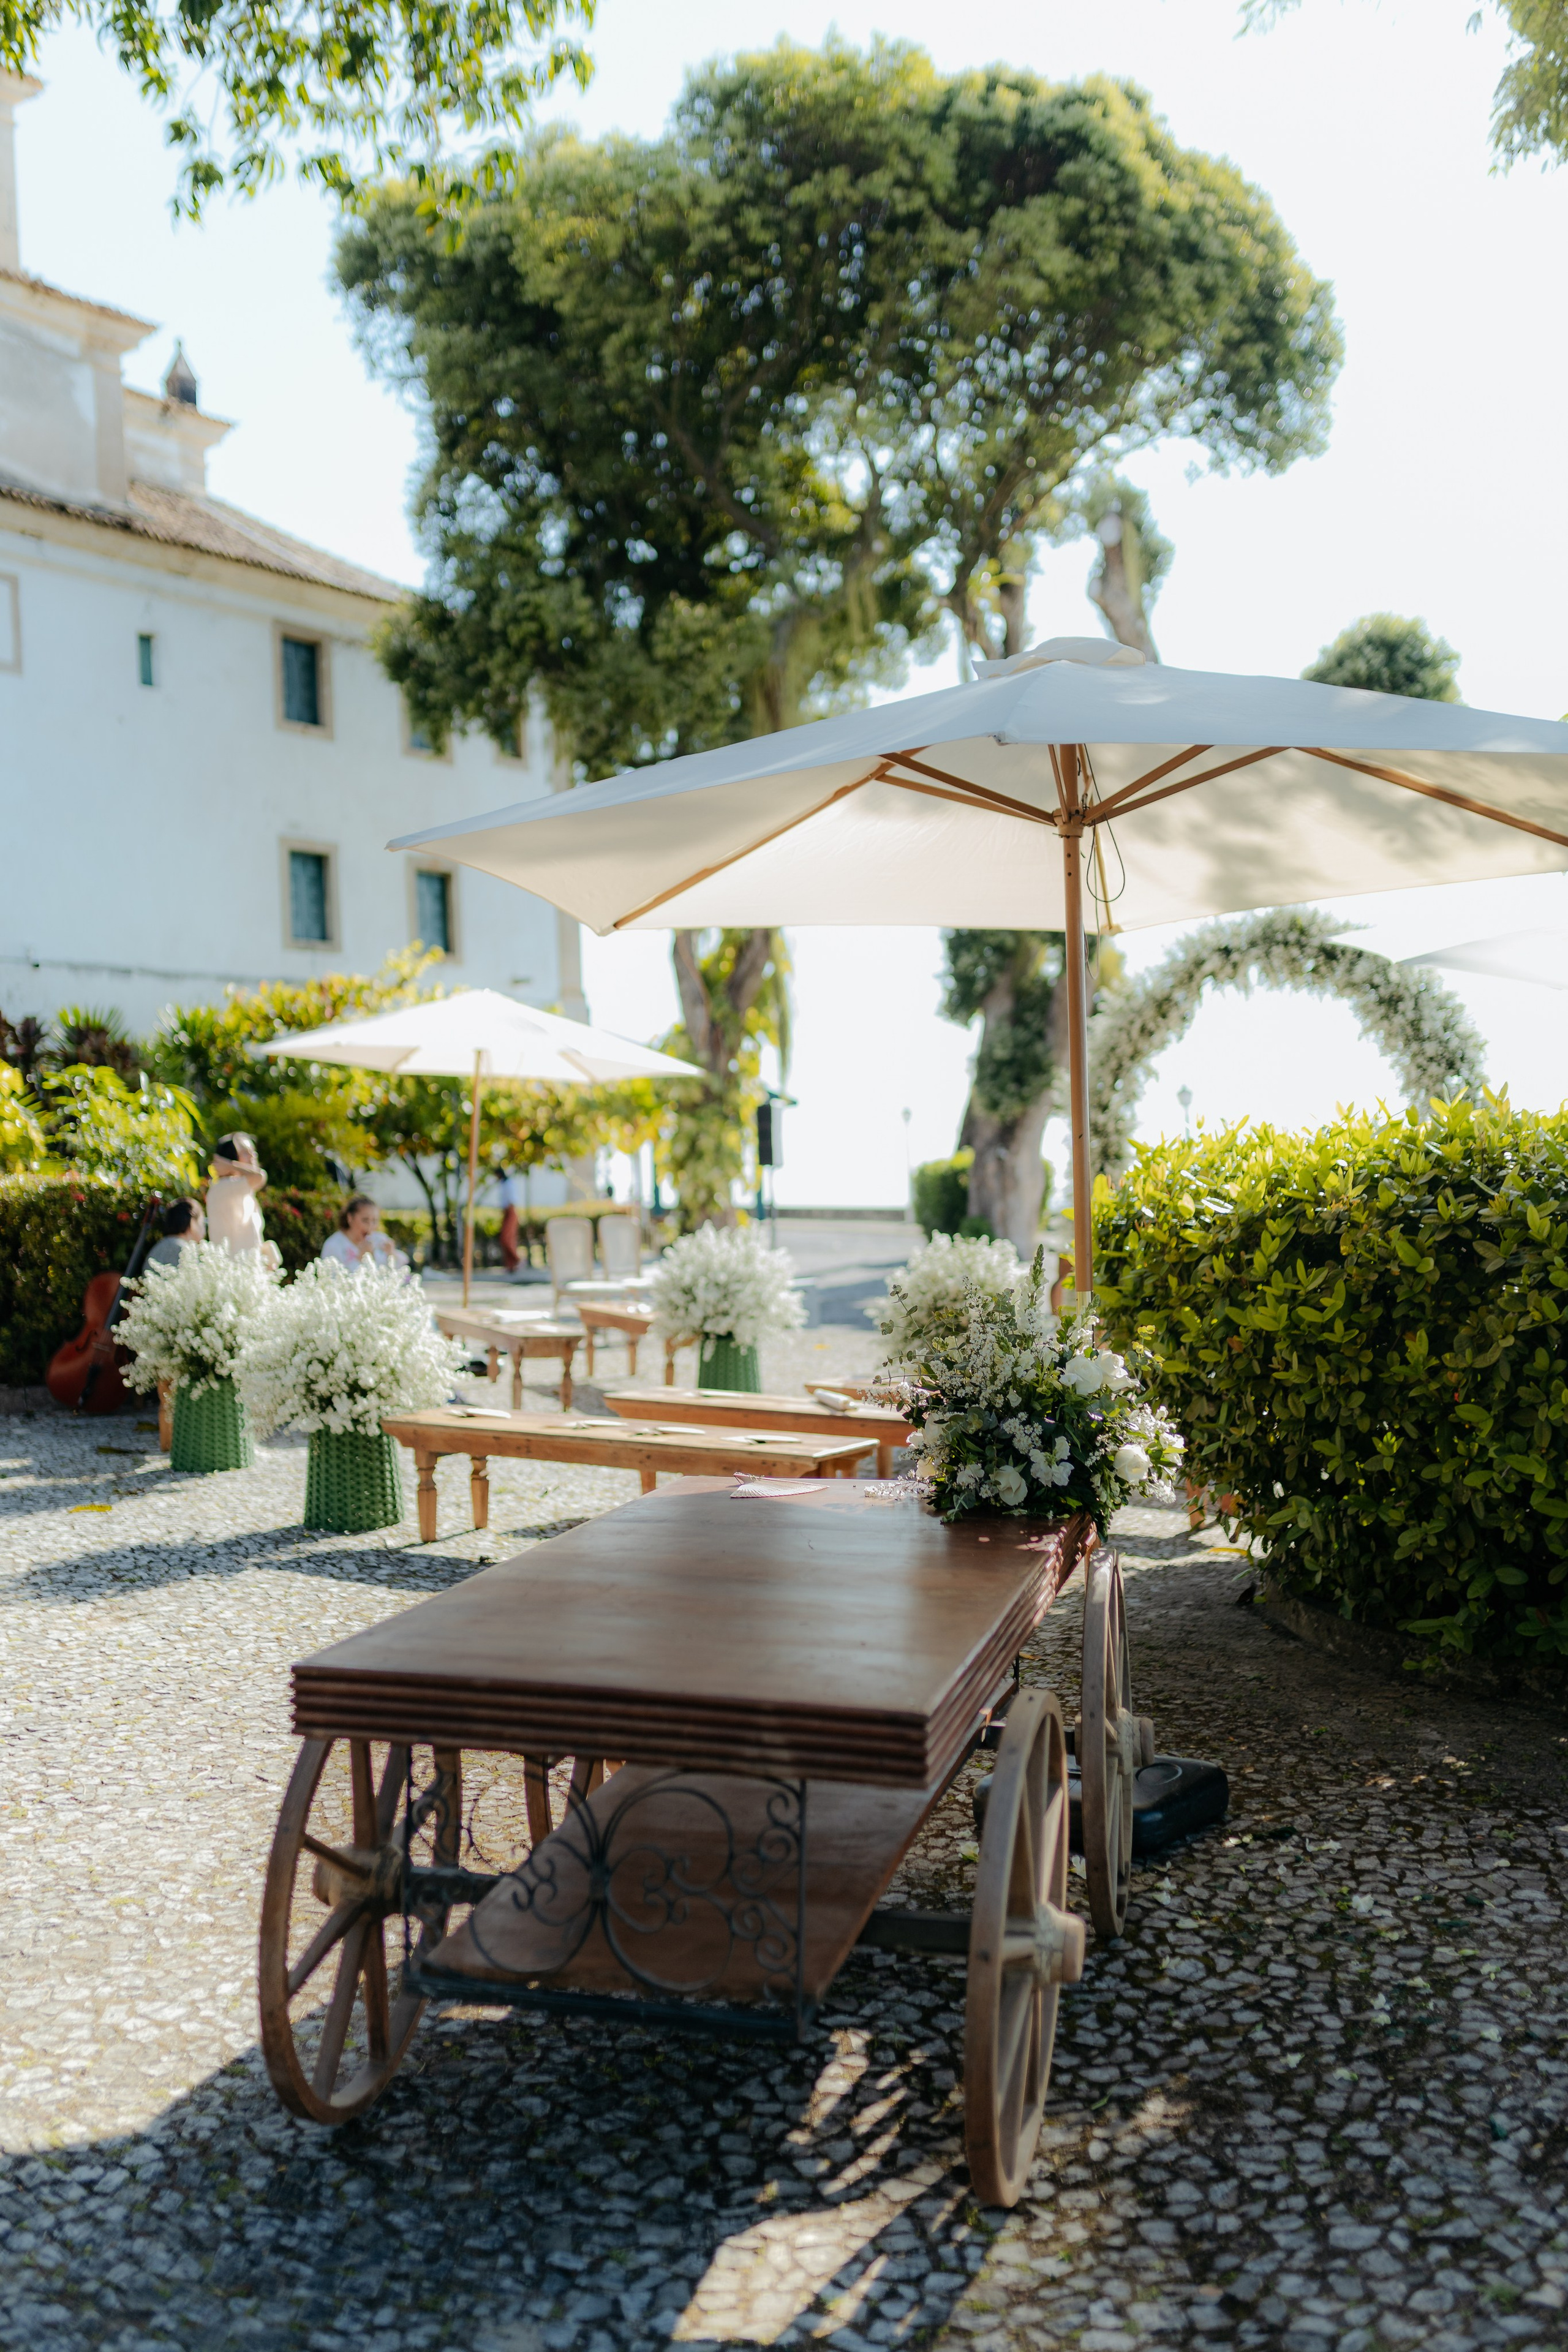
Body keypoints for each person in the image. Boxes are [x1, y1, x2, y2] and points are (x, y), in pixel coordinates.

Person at [205, 1133, 271, 1259]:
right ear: (230, 1157)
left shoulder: (243, 1190)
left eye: (253, 1152)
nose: (253, 1156)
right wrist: (231, 1166)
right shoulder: (224, 1187)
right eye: (246, 1153)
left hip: (247, 1271)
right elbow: (260, 1177)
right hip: (233, 1271)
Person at [321, 1194, 407, 1274]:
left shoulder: (379, 1239)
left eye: (374, 1221)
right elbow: (333, 1280)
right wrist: (360, 1258)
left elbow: (403, 1264)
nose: (371, 1226)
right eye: (365, 1220)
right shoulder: (333, 1245)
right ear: (350, 1218)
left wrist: (391, 1255)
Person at [145, 1196, 205, 1270]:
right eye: (202, 1222)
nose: (204, 1230)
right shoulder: (182, 1250)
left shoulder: (160, 1246)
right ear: (192, 1222)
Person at [496, 1167, 523, 1273]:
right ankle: (510, 1266)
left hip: (511, 1212)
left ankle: (518, 1260)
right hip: (506, 1213)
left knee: (507, 1238)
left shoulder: (509, 1184)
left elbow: (511, 1200)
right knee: (504, 1240)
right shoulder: (502, 1185)